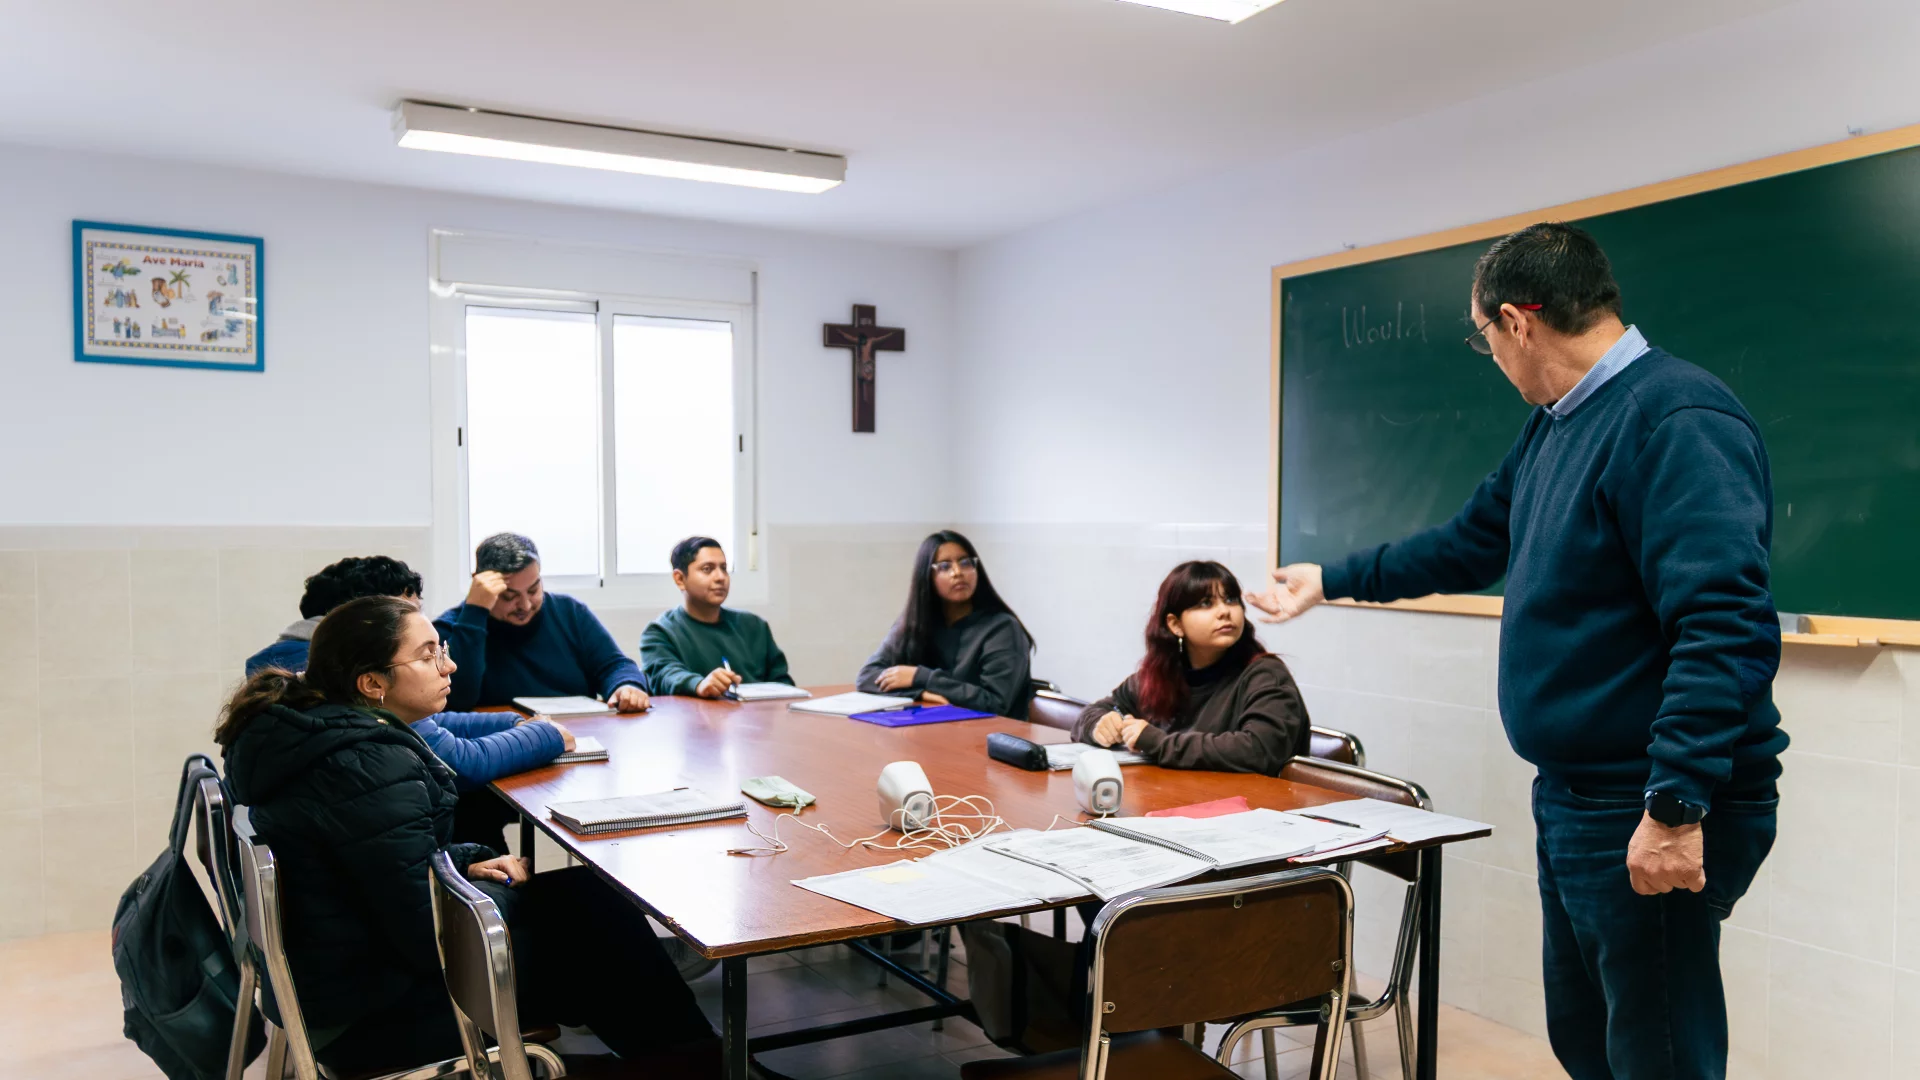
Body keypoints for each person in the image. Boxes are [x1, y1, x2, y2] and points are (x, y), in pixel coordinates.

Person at [1250, 222, 1784, 1080]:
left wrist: (1677, 808)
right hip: (1578, 797)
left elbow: (1725, 624)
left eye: (1484, 338)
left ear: (1518, 321)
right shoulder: (1557, 425)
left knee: (1660, 1051)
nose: (1491, 356)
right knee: (1589, 1038)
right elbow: (1470, 542)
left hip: (1646, 800)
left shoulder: (1677, 418)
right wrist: (1334, 576)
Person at [217, 597, 713, 1076]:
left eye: (442, 650)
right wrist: (499, 895)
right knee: (592, 928)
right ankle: (701, 1064)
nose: (447, 667)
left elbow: (372, 866)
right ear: (372, 683)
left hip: (339, 981)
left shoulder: (318, 734)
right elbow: (423, 936)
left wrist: (465, 862)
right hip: (370, 1013)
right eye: (428, 655)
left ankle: (687, 1057)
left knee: (574, 894)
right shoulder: (367, 762)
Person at [244, 554, 570, 845]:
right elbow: (457, 763)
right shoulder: (332, 675)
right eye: (402, 615)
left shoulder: (298, 669)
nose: (413, 623)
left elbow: (423, 724)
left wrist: (511, 721)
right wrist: (545, 734)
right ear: (362, 622)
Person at [1073, 561, 1308, 773]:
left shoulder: (1265, 674)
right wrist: (1098, 725)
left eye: (1230, 600)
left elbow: (1259, 750)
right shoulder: (1159, 676)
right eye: (1206, 603)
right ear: (1175, 625)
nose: (1224, 611)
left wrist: (1158, 743)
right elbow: (1094, 712)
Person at [437, 532, 650, 712]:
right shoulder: (452, 628)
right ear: (479, 586)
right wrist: (475, 612)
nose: (526, 605)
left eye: (533, 590)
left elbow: (614, 665)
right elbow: (458, 700)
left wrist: (626, 686)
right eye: (509, 596)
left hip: (576, 734)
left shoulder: (569, 612)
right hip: (500, 744)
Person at [856, 530, 1033, 718]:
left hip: (988, 738)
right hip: (933, 731)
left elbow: (994, 704)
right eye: (944, 566)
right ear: (926, 577)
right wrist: (920, 693)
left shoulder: (1002, 628)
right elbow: (867, 677)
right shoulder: (915, 623)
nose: (957, 573)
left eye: (965, 563)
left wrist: (922, 677)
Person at [640, 536, 793, 698]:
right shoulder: (660, 632)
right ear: (680, 579)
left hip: (758, 718)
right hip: (695, 720)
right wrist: (698, 684)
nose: (720, 577)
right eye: (707, 569)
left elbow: (782, 683)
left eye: (724, 568)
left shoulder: (754, 626)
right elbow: (665, 675)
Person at [245, 555, 423, 676]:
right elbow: (422, 728)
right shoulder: (334, 667)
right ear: (359, 616)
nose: (417, 626)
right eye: (403, 616)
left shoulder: (281, 656)